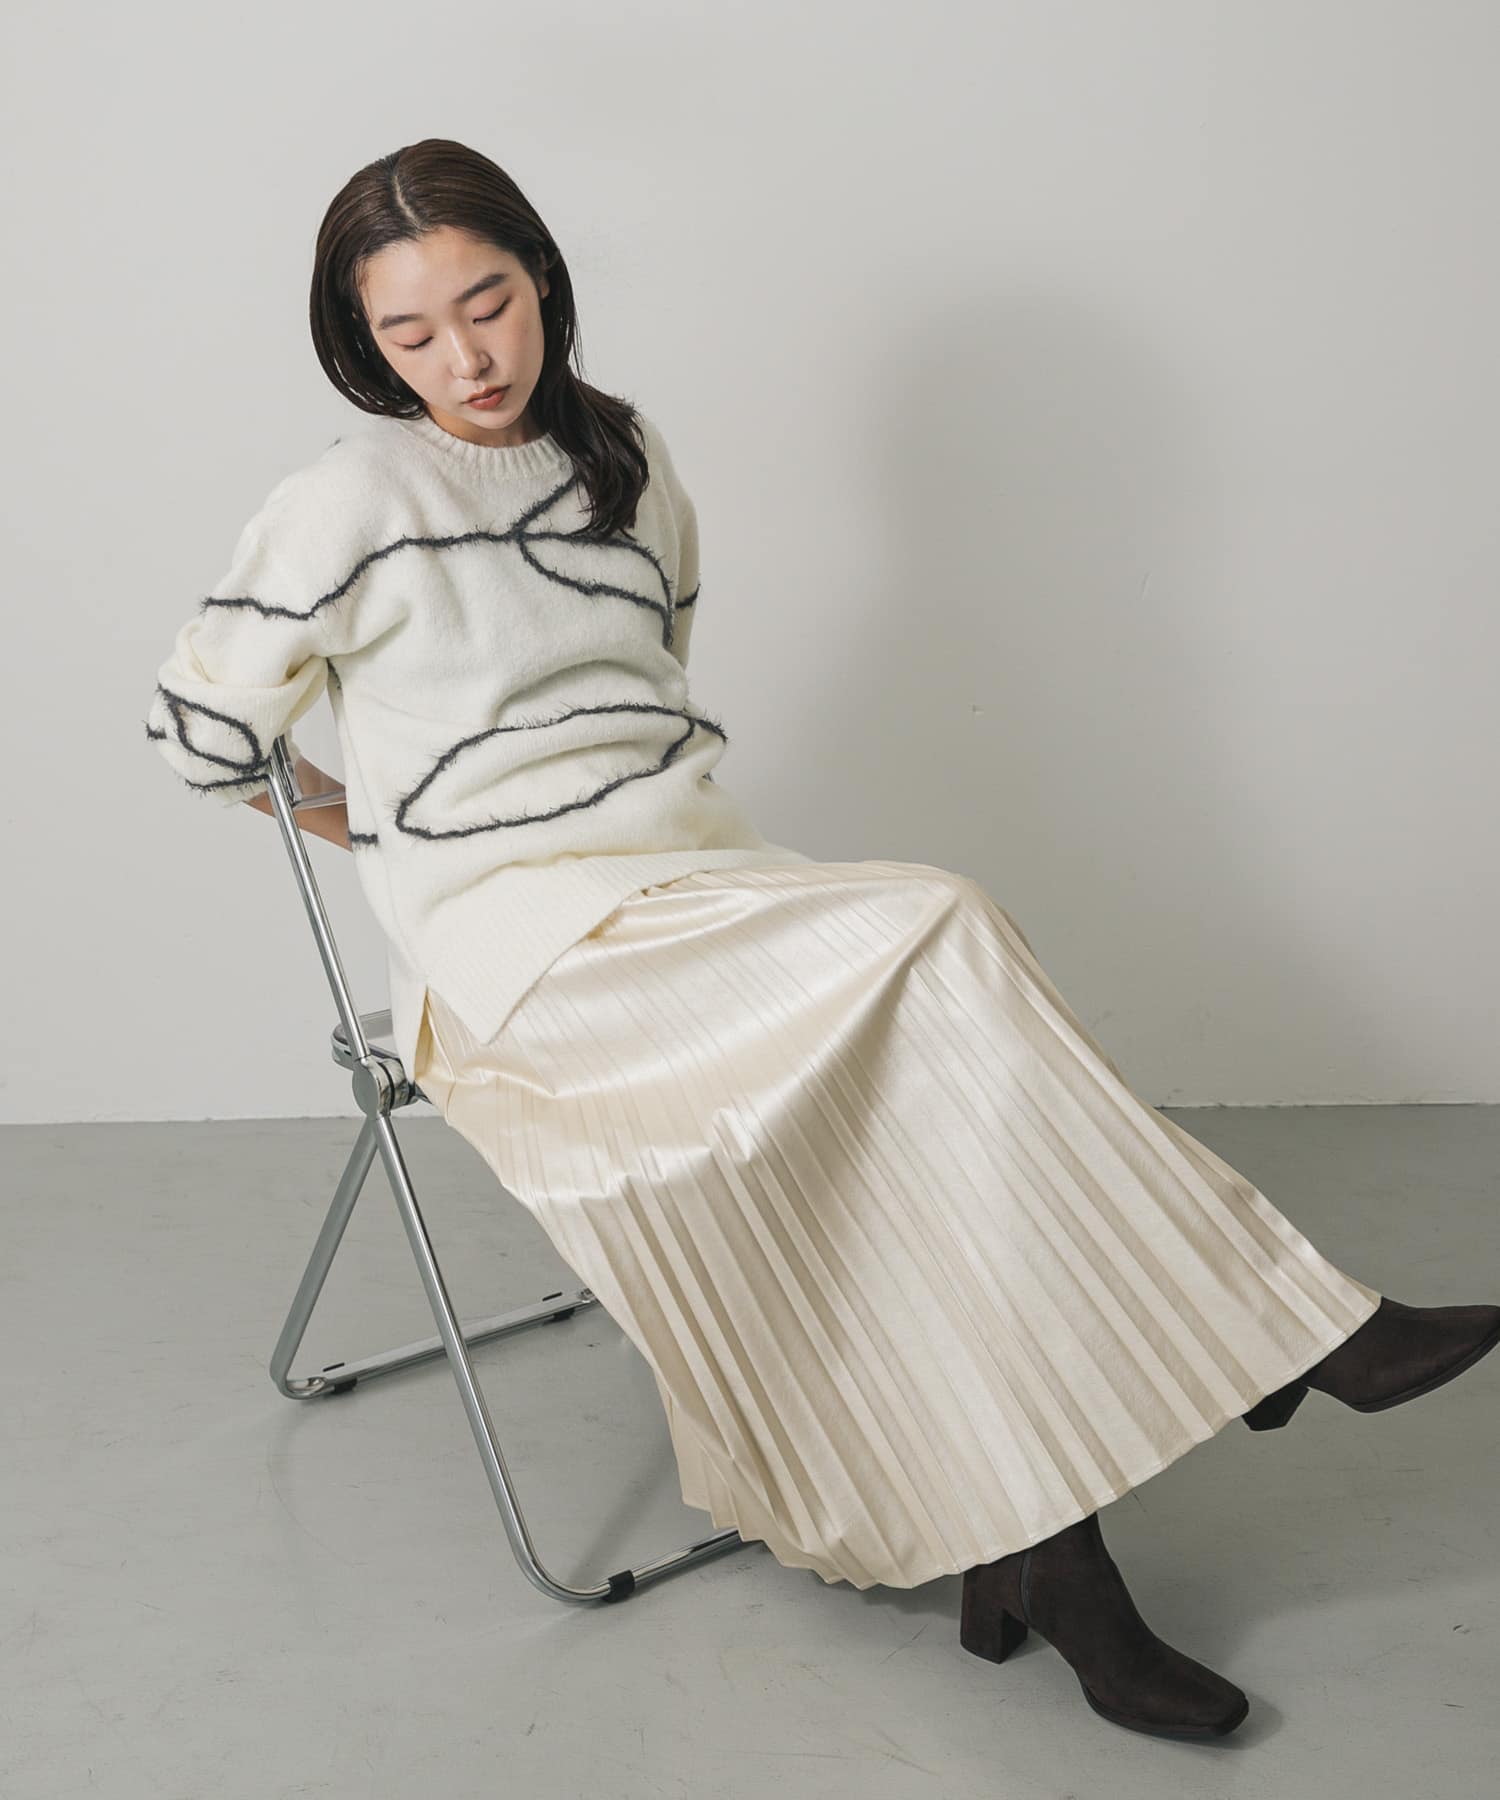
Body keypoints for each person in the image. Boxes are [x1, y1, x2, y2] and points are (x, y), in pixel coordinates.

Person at [143, 137, 1500, 1744]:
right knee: (940, 928)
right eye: (411, 334)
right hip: (522, 967)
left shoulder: (627, 457)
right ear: (365, 346)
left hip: (697, 895)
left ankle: (1054, 1557)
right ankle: (1275, 1329)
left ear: (544, 282)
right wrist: (380, 830)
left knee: (931, 1107)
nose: (466, 359)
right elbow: (201, 735)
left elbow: (653, 688)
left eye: (487, 304)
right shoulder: (347, 503)